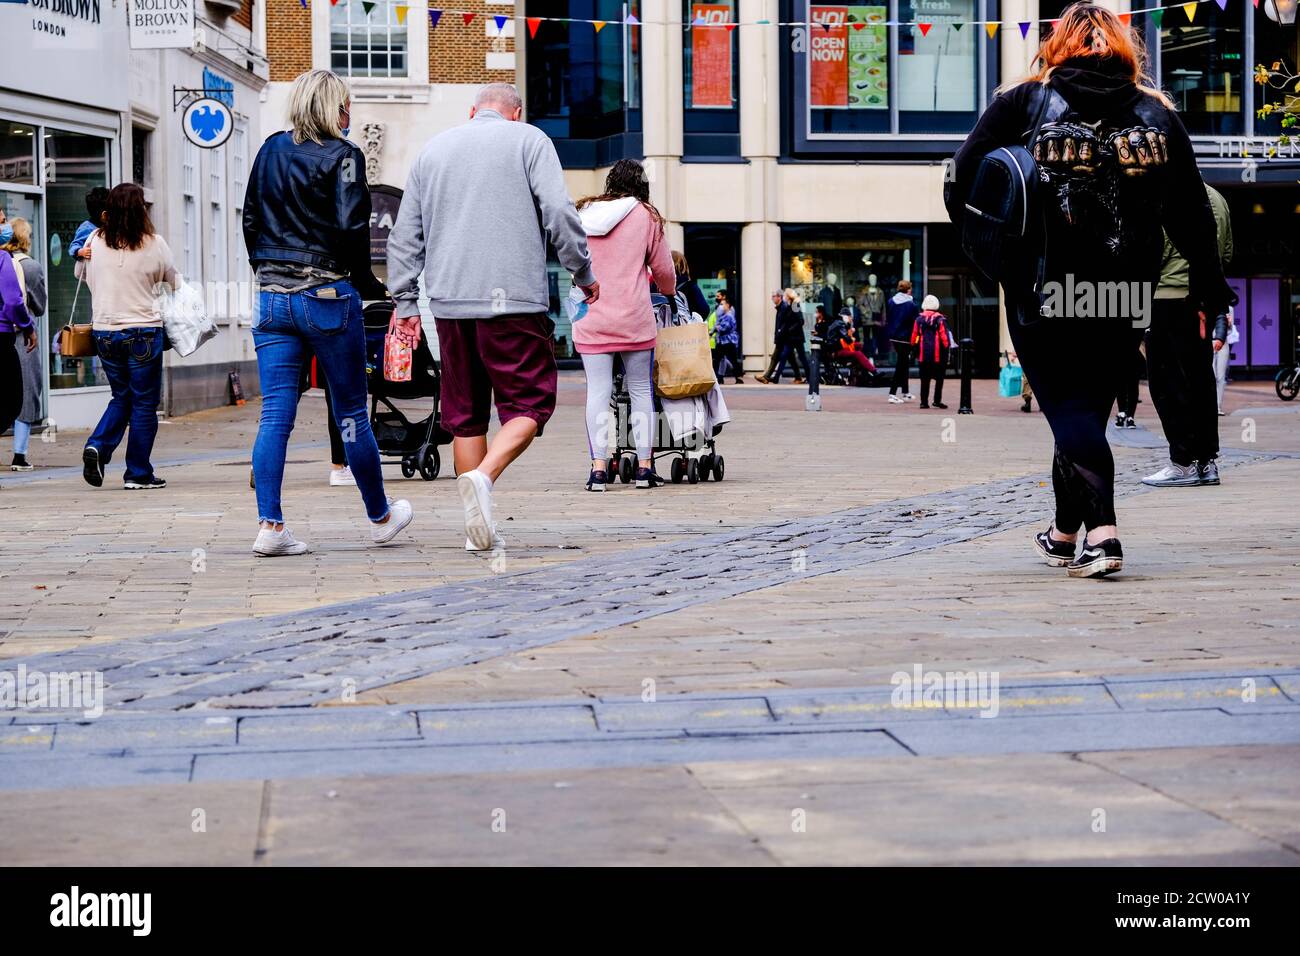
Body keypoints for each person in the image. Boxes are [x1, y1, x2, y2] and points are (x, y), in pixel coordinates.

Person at [947, 2, 1234, 578]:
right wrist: (1209, 284)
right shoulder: (1156, 113)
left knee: (1070, 412)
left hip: (1043, 285)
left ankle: (1103, 536)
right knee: (1082, 420)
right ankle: (1062, 535)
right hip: (1126, 288)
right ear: (1126, 48)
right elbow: (1190, 210)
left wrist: (993, 250)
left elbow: (963, 180)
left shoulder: (1022, 101)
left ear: (1058, 44)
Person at [387, 83, 597, 550]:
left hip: (448, 304)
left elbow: (405, 236)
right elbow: (559, 213)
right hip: (514, 304)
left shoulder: (433, 151)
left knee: (465, 416)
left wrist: (404, 302)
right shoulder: (529, 141)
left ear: (472, 111)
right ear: (516, 113)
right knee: (530, 404)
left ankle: (474, 531)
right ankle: (484, 477)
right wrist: (581, 271)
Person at [243, 69, 413, 556]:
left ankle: (270, 526)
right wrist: (368, 286)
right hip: (327, 297)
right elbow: (351, 228)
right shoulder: (344, 157)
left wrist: (268, 269)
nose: (349, 115)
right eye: (345, 107)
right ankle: (380, 517)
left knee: (275, 414)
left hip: (273, 296)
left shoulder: (271, 149)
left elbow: (250, 217)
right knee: (352, 412)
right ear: (331, 109)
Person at [572, 159, 674, 491]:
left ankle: (598, 470)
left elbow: (570, 255)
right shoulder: (647, 216)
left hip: (592, 316)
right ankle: (645, 468)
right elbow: (664, 270)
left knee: (598, 394)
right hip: (634, 318)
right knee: (642, 391)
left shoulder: (585, 212)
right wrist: (669, 291)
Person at [79, 184, 179, 492]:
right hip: (143, 331)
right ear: (141, 211)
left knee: (121, 396)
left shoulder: (94, 240)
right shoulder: (155, 243)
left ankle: (98, 445)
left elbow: (81, 274)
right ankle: (137, 472)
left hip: (105, 332)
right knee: (144, 403)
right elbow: (173, 283)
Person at [1142, 183, 1234, 488]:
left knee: (1166, 381)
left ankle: (1181, 462)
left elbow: (1155, 253)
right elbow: (1228, 253)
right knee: (1201, 381)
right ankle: (1207, 463)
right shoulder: (1218, 198)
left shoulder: (1169, 196)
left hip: (1168, 298)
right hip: (1202, 300)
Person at [2, 219, 47, 470]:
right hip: (19, 334)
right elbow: (38, 305)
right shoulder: (30, 267)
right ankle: (19, 454)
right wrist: (28, 325)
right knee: (27, 390)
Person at [0, 247, 36, 465]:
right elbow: (13, 301)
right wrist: (28, 326)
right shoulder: (2, 258)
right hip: (1, 338)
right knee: (11, 400)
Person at [756, 290, 806, 384]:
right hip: (785, 338)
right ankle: (798, 377)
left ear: (779, 297)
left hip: (784, 338)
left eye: (774, 296)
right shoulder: (781, 307)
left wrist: (780, 334)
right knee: (791, 359)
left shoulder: (785, 307)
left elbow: (788, 323)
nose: (772, 298)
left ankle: (767, 377)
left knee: (775, 357)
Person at [911, 294, 952, 409]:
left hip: (923, 354)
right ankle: (937, 401)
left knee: (924, 379)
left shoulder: (919, 319)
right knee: (939, 379)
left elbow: (914, 336)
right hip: (938, 355)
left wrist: (913, 346)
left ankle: (924, 402)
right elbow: (944, 337)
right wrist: (948, 348)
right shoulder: (940, 319)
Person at [885, 279, 919, 403]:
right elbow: (915, 322)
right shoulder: (911, 305)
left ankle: (905, 392)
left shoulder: (890, 301)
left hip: (894, 336)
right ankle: (892, 393)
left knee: (903, 363)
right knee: (901, 365)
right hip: (905, 337)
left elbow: (888, 317)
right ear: (909, 290)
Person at [825, 307, 877, 385]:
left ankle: (863, 368)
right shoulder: (840, 323)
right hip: (836, 351)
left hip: (837, 348)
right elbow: (848, 340)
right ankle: (873, 371)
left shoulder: (837, 322)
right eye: (849, 317)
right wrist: (851, 334)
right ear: (845, 316)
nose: (850, 319)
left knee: (859, 346)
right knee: (858, 353)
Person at [68, 187, 110, 265]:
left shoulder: (108, 226)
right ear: (104, 214)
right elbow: (74, 246)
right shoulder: (86, 228)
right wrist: (80, 251)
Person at [1112, 329, 1144, 429]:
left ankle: (1130, 416)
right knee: (1122, 385)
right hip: (1123, 355)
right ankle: (1122, 413)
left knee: (1132, 385)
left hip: (1134, 356)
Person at [712, 288, 743, 383]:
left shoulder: (729, 314)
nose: (721, 306)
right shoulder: (726, 312)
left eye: (723, 304)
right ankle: (721, 378)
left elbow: (725, 326)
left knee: (720, 359)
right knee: (721, 359)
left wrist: (717, 328)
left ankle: (719, 377)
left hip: (726, 341)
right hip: (724, 340)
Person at [1211, 310, 1237, 416]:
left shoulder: (1229, 308)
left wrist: (1229, 324)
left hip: (1223, 342)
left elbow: (1230, 329)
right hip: (1209, 341)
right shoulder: (1205, 304)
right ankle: (1210, 405)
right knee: (1211, 375)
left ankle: (1218, 406)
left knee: (1221, 377)